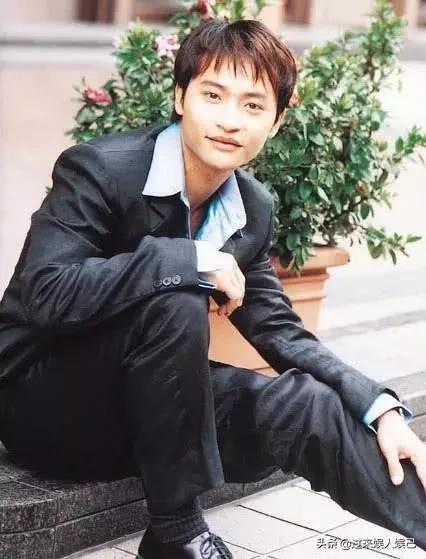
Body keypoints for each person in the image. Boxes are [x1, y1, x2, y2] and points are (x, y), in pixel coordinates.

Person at [0, 18, 425, 559]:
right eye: (213, 95)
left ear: (276, 121)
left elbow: (281, 332)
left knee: (305, 403)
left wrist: (379, 409)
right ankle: (178, 531)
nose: (230, 120)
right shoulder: (100, 170)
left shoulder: (250, 210)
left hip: (148, 417)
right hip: (43, 406)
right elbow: (45, 292)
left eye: (253, 105)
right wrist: (191, 259)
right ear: (181, 98)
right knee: (177, 296)